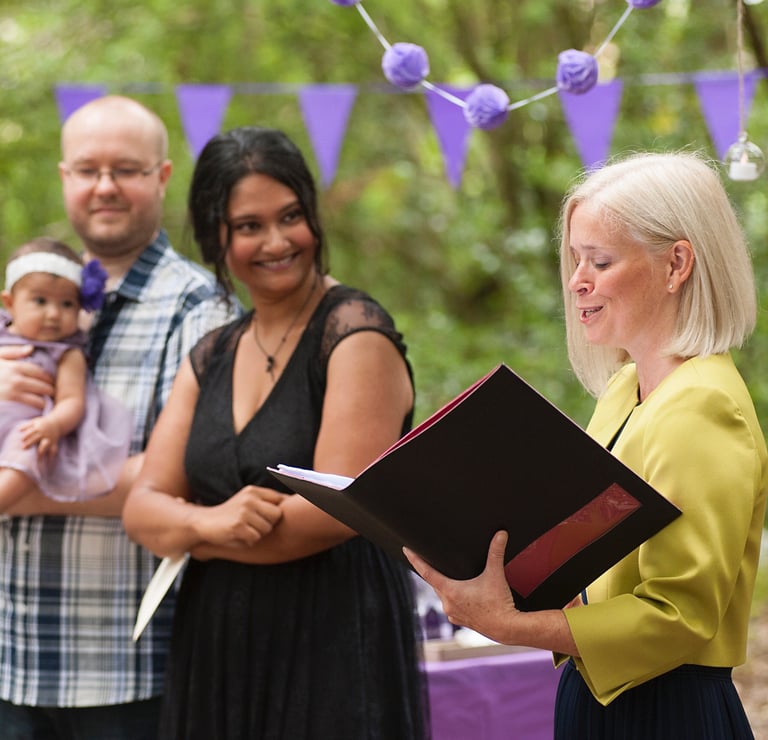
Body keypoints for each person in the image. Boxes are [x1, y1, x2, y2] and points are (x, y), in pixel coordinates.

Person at [405, 151, 767, 739]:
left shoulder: (704, 406)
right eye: (576, 259)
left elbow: (680, 616)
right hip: (599, 696)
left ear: (677, 264)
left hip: (663, 712)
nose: (577, 280)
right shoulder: (627, 387)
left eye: (600, 260)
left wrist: (510, 625)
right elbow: (593, 559)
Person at [122, 126, 429, 740]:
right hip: (217, 639)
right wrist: (211, 524)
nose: (277, 241)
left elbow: (335, 512)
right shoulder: (212, 353)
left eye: (290, 216)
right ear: (216, 237)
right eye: (249, 225)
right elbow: (141, 508)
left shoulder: (355, 333)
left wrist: (190, 536)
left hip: (331, 634)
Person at [0, 96, 238, 739]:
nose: (104, 186)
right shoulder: (25, 301)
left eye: (126, 169)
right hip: (10, 659)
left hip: (126, 670)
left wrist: (17, 490)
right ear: (65, 177)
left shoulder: (202, 308)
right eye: (87, 169)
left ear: (161, 177)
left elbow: (181, 478)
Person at [0, 237, 132, 508]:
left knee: (28, 452)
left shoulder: (67, 353)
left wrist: (53, 424)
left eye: (67, 304)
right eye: (40, 301)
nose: (53, 314)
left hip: (27, 428)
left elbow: (72, 401)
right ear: (10, 302)